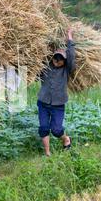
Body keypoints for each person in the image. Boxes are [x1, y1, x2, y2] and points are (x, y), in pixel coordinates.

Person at [37, 28, 76, 157]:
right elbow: (38, 54)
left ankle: (65, 139)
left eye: (60, 59)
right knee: (43, 128)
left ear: (64, 61)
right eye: (55, 58)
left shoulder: (67, 70)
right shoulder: (45, 67)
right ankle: (47, 153)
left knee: (57, 130)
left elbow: (71, 55)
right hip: (43, 102)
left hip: (58, 104)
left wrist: (69, 38)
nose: (57, 61)